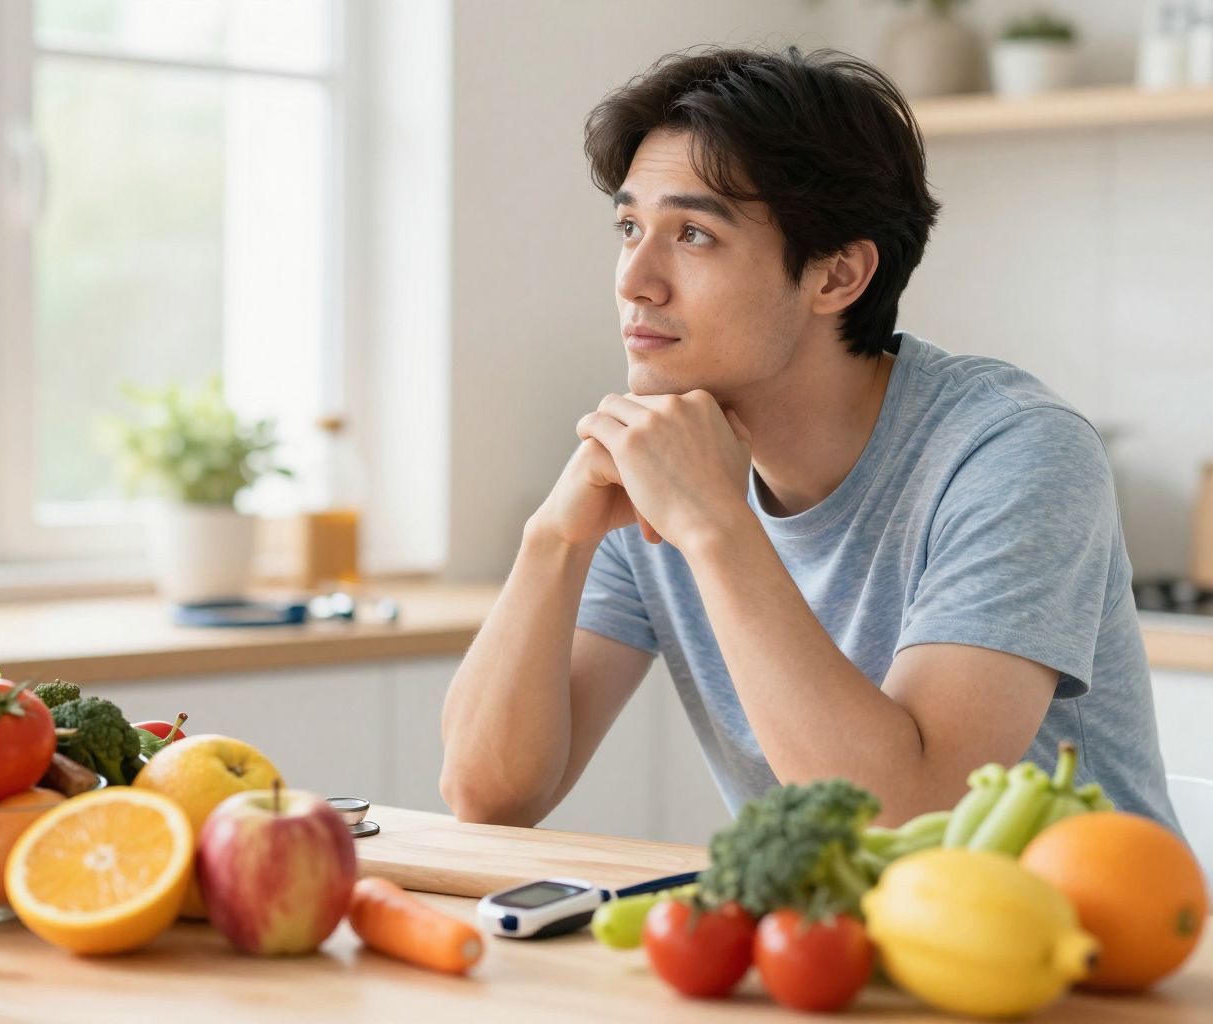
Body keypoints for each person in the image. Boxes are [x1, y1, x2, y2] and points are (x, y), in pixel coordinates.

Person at [438, 46, 1179, 831]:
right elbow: (489, 796)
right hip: (829, 945)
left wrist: (714, 526)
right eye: (630, 226)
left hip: (1080, 942)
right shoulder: (666, 458)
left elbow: (903, 815)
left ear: (836, 277)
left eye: (692, 234)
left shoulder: (1014, 452)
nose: (634, 279)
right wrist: (554, 537)